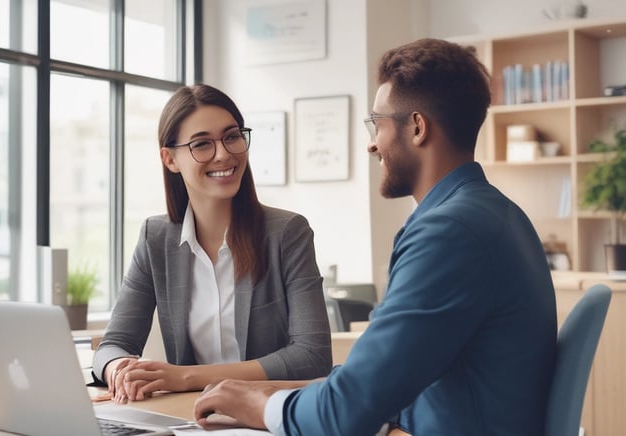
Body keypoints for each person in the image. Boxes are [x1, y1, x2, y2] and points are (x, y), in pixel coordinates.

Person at [193, 38, 558, 435]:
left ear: (417, 127)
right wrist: (271, 390)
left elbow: (343, 415)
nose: (372, 144)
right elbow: (384, 379)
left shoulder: (448, 232)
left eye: (377, 124)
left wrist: (257, 407)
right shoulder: (493, 213)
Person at [92, 84, 332, 404]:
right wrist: (118, 369)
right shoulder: (156, 237)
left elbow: (312, 356)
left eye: (232, 136)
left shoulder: (287, 233)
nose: (223, 153)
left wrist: (184, 376)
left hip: (268, 416)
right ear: (170, 159)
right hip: (191, 417)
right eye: (202, 144)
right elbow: (113, 343)